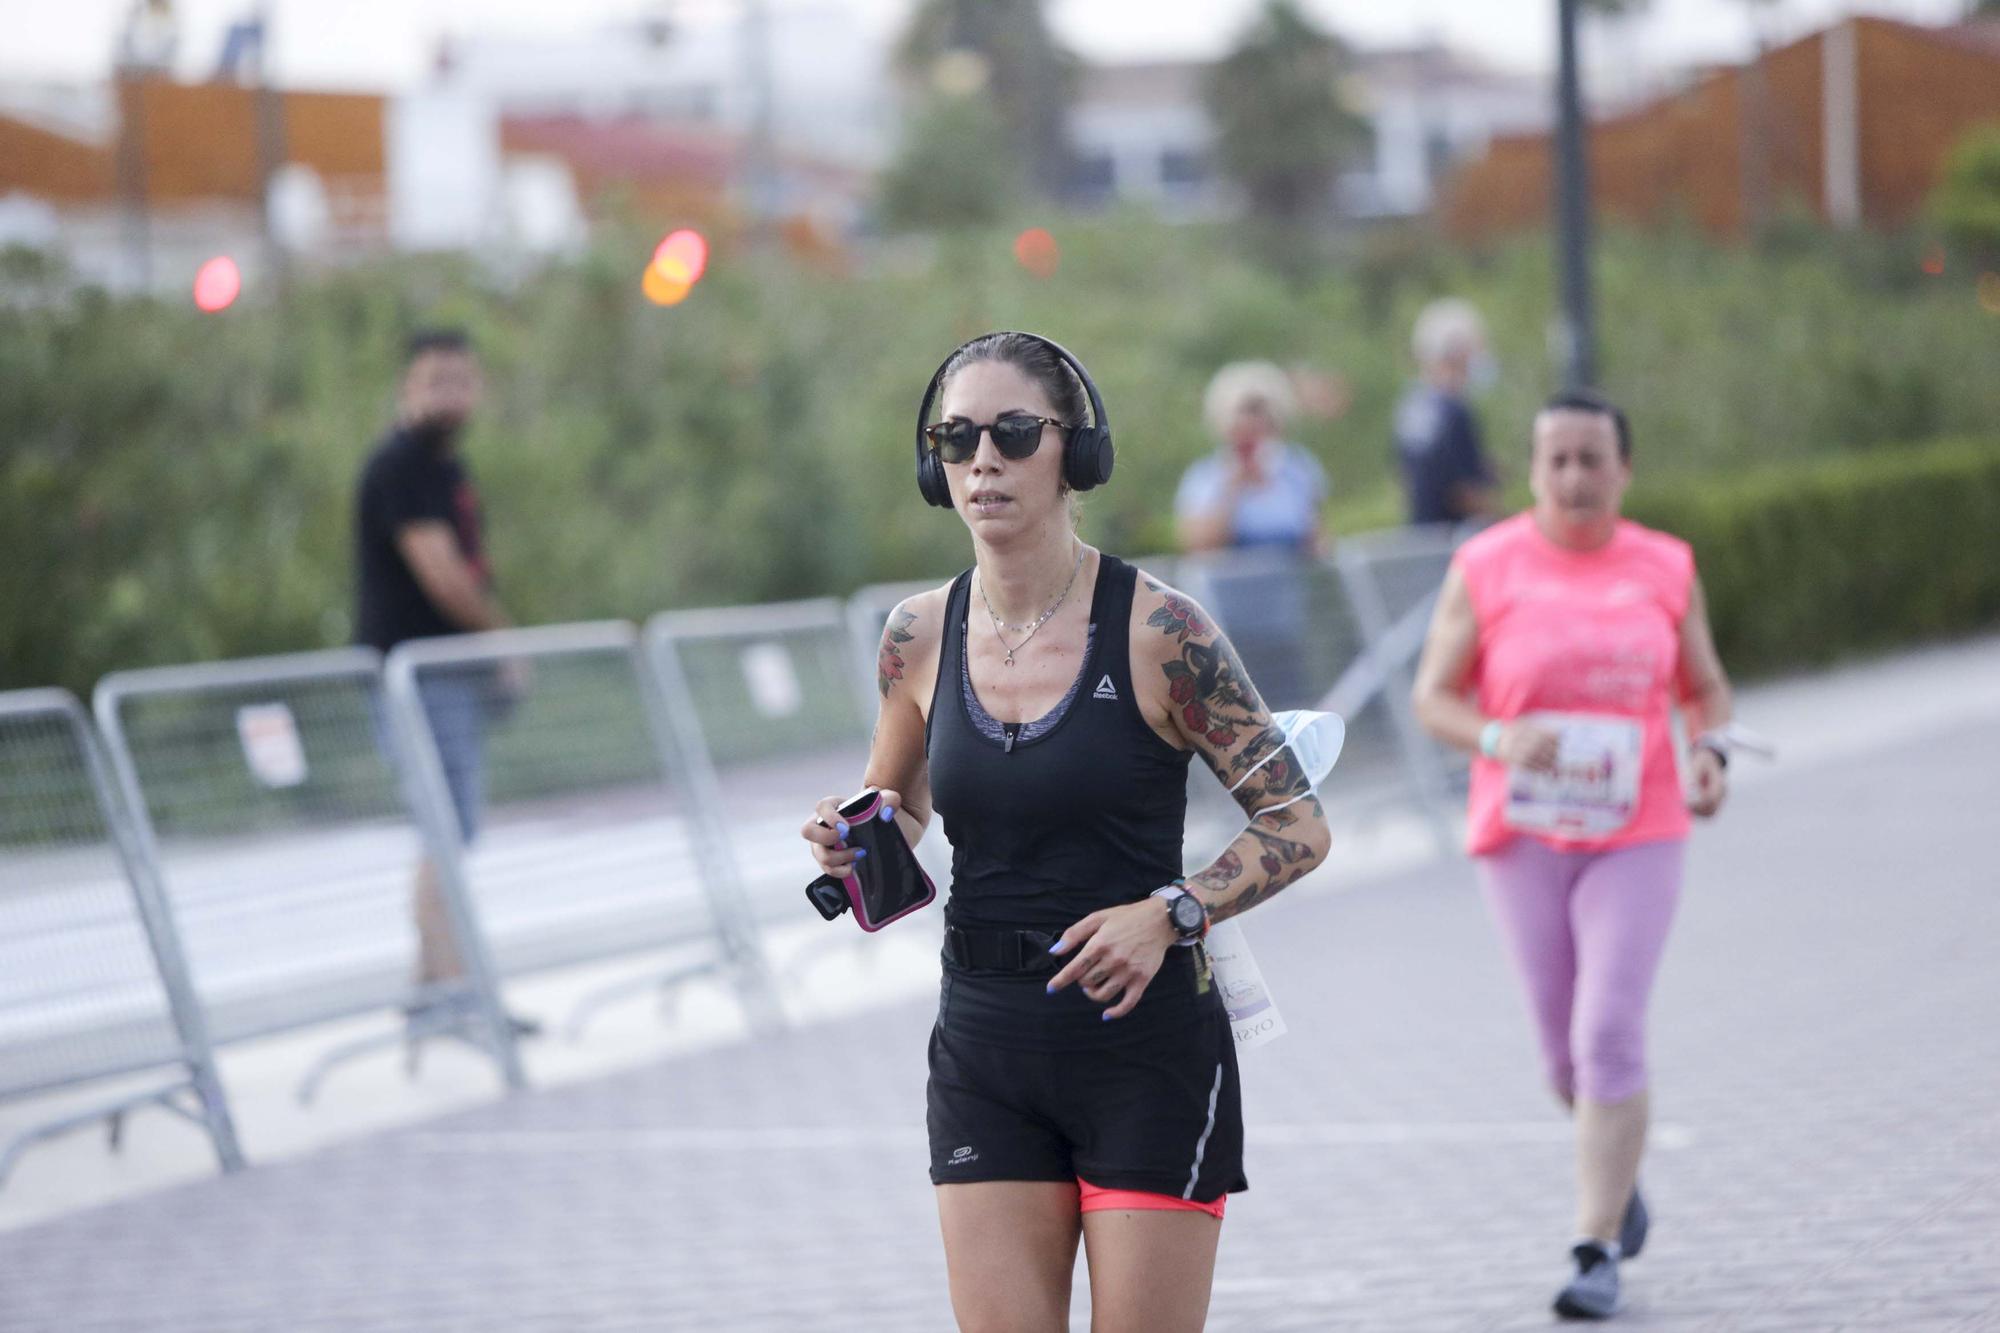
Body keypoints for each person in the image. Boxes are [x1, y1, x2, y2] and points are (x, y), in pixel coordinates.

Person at [803, 332, 1333, 1332]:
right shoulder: (915, 635)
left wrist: (1170, 911)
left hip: (1144, 1048)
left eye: (1011, 431)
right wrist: (851, 834)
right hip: (984, 1042)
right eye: (954, 438)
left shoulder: (1161, 631)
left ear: (1073, 451)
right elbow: (901, 805)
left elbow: (1296, 821)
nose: (982, 461)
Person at [1410, 389, 1735, 1321]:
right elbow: (1434, 697)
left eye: (1593, 458)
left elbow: (1705, 690)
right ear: (1533, 469)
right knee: (1563, 1057)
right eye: (1556, 459)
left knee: (1607, 1034)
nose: (1575, 476)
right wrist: (1500, 737)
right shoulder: (1487, 563)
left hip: (1639, 828)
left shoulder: (1666, 565)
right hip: (1523, 836)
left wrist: (1708, 754)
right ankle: (1616, 1164)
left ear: (1624, 469)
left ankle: (1593, 1248)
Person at [353, 329, 532, 1035]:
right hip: (415, 677)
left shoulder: (444, 468)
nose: (450, 395)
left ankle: (434, 992)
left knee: (448, 829)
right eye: (436, 380)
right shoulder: (402, 466)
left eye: (461, 380)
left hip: (442, 676)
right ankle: (452, 994)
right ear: (406, 386)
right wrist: (501, 640)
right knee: (443, 828)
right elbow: (441, 571)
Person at [1174, 361, 1329, 707]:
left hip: (1284, 621)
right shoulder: (1207, 479)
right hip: (1228, 626)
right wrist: (1234, 489)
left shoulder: (1296, 470)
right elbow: (1197, 544)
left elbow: (1315, 535)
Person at [1393, 298, 1501, 527]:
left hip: (1421, 537)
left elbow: (1405, 479)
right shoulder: (1454, 412)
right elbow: (1464, 493)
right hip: (1453, 539)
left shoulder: (1410, 408)